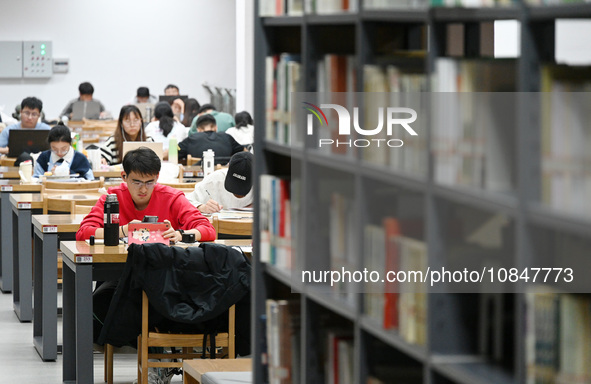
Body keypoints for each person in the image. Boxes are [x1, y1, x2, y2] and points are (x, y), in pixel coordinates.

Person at [76, 146, 215, 242]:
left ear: (157, 177)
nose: (143, 189)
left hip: (161, 271)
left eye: (149, 182)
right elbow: (83, 232)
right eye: (137, 182)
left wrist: (179, 235)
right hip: (118, 271)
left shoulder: (172, 198)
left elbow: (208, 230)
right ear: (124, 176)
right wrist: (125, 230)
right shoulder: (112, 198)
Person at [187, 152, 253, 213]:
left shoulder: (261, 183)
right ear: (228, 166)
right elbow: (186, 201)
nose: (237, 194)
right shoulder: (213, 180)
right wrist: (201, 207)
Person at [178, 114, 245, 164]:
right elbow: (245, 152)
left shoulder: (191, 139)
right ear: (215, 127)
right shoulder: (227, 137)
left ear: (198, 130)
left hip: (197, 180)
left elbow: (173, 153)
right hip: (223, 179)